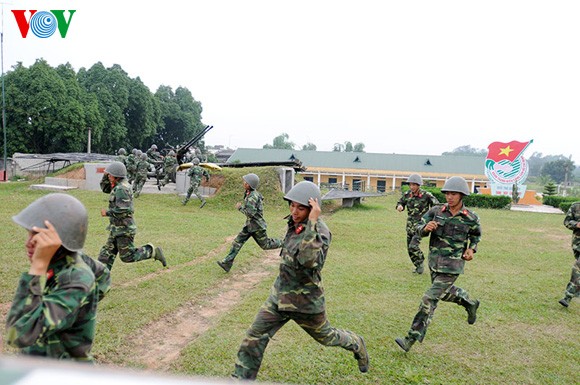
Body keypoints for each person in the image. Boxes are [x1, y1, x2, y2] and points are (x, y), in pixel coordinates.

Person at [232, 181, 369, 380]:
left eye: (301, 208)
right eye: (292, 205)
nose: (294, 212)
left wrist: (312, 222)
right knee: (254, 337)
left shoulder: (320, 231)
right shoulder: (294, 224)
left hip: (305, 302)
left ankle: (357, 343)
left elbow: (308, 260)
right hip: (279, 297)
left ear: (313, 209)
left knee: (327, 336)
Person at [5, 193, 111, 361]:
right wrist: (77, 314)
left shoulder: (76, 278)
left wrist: (37, 267)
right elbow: (103, 275)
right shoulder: (67, 262)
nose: (28, 242)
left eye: (37, 236)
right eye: (29, 234)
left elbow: (17, 334)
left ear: (60, 242)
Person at [395, 176, 481, 352]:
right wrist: (425, 229)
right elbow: (419, 226)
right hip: (435, 263)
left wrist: (471, 249)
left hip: (453, 265)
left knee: (429, 299)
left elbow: (475, 235)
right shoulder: (436, 211)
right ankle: (468, 302)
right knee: (442, 293)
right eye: (447, 193)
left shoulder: (470, 217)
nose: (449, 197)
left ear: (462, 195)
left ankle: (410, 338)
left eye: (454, 194)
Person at [98, 161, 167, 271]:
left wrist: (107, 213)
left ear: (116, 176)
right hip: (117, 228)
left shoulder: (122, 189)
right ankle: (100, 282)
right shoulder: (118, 185)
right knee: (105, 254)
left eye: (110, 174)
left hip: (124, 229)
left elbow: (124, 210)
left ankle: (152, 251)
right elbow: (105, 188)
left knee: (127, 256)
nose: (108, 176)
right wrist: (106, 174)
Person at [217, 173, 282, 272]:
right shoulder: (249, 193)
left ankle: (285, 243)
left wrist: (240, 208)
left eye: (245, 182)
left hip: (257, 226)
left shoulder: (252, 197)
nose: (244, 183)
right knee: (237, 242)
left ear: (249, 185)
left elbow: (250, 214)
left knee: (266, 245)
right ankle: (227, 263)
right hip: (249, 226)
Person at [396, 174, 439, 274]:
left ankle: (420, 263)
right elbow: (400, 202)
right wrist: (400, 206)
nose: (412, 187)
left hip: (421, 226)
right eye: (410, 185)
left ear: (419, 185)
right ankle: (417, 265)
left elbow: (437, 206)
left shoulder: (426, 195)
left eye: (414, 185)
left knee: (413, 246)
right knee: (409, 249)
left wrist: (431, 218)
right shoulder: (407, 194)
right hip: (410, 226)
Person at [559, 201, 580, 307]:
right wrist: (577, 224)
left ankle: (567, 297)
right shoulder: (576, 206)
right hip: (577, 245)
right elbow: (567, 222)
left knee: (577, 269)